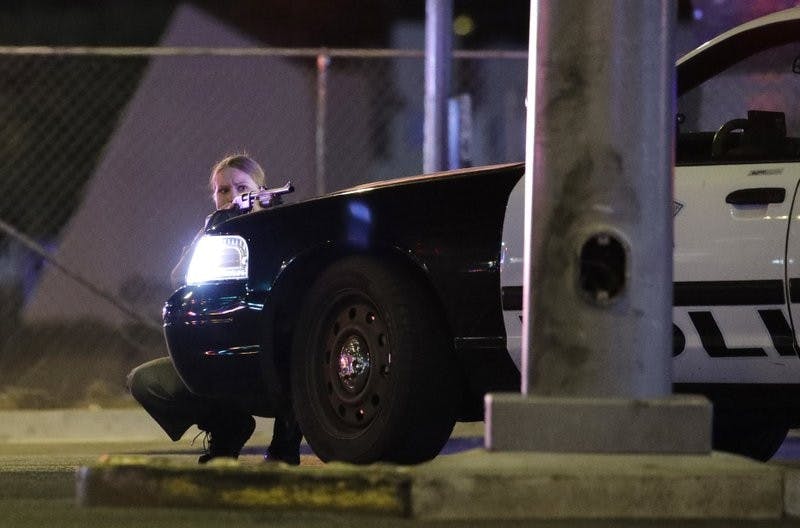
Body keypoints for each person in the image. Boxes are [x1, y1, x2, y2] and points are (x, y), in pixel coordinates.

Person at [127, 153, 303, 465]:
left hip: (273, 369)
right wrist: (210, 230)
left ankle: (284, 446)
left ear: (262, 192)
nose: (233, 196)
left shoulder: (283, 237)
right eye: (223, 190)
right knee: (146, 382)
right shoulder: (214, 239)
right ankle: (228, 430)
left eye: (242, 187)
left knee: (302, 354)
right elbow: (179, 278)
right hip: (221, 365)